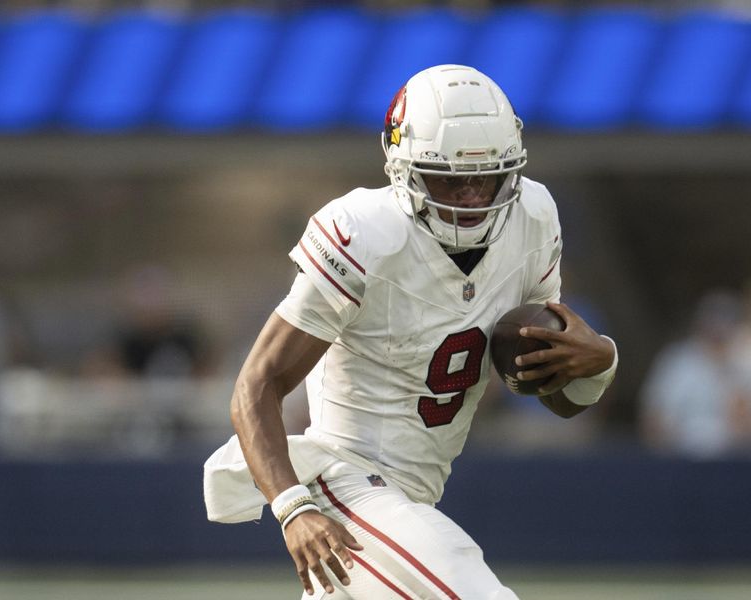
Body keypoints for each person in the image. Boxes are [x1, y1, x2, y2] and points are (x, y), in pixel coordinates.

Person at [204, 65, 618, 599]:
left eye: (486, 177)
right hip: (345, 478)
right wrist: (292, 508)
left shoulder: (533, 218)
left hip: (415, 495)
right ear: (404, 168)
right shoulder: (364, 232)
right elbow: (256, 384)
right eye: (450, 178)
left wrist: (599, 363)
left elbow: (556, 395)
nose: (471, 197)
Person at [640, 289, 751, 458]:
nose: (717, 332)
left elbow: (744, 422)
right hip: (680, 459)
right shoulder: (676, 361)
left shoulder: (745, 360)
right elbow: (653, 417)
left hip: (732, 462)